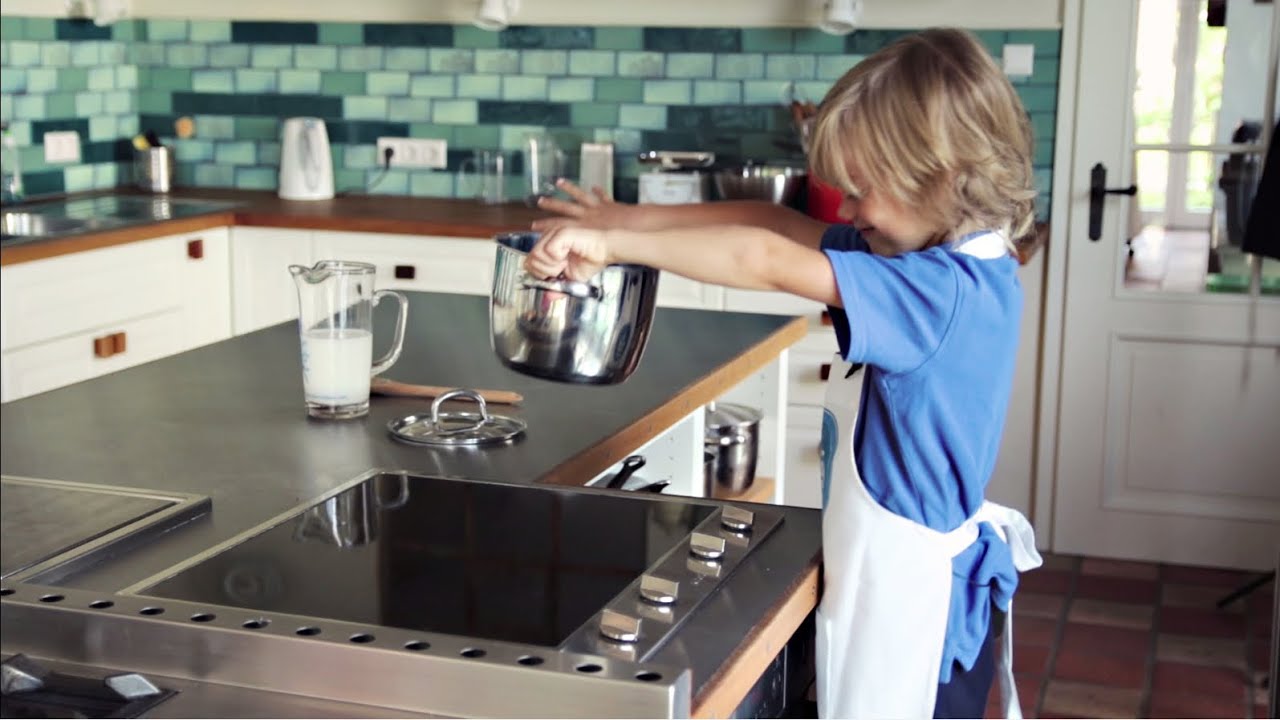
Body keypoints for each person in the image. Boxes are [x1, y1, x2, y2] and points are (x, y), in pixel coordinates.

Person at [526, 27, 1043, 720]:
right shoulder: (952, 264)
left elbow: (764, 257)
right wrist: (626, 216)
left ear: (945, 178)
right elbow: (769, 219)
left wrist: (615, 245)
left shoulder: (935, 293)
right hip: (898, 579)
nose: (848, 211)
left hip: (915, 609)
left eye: (862, 191)